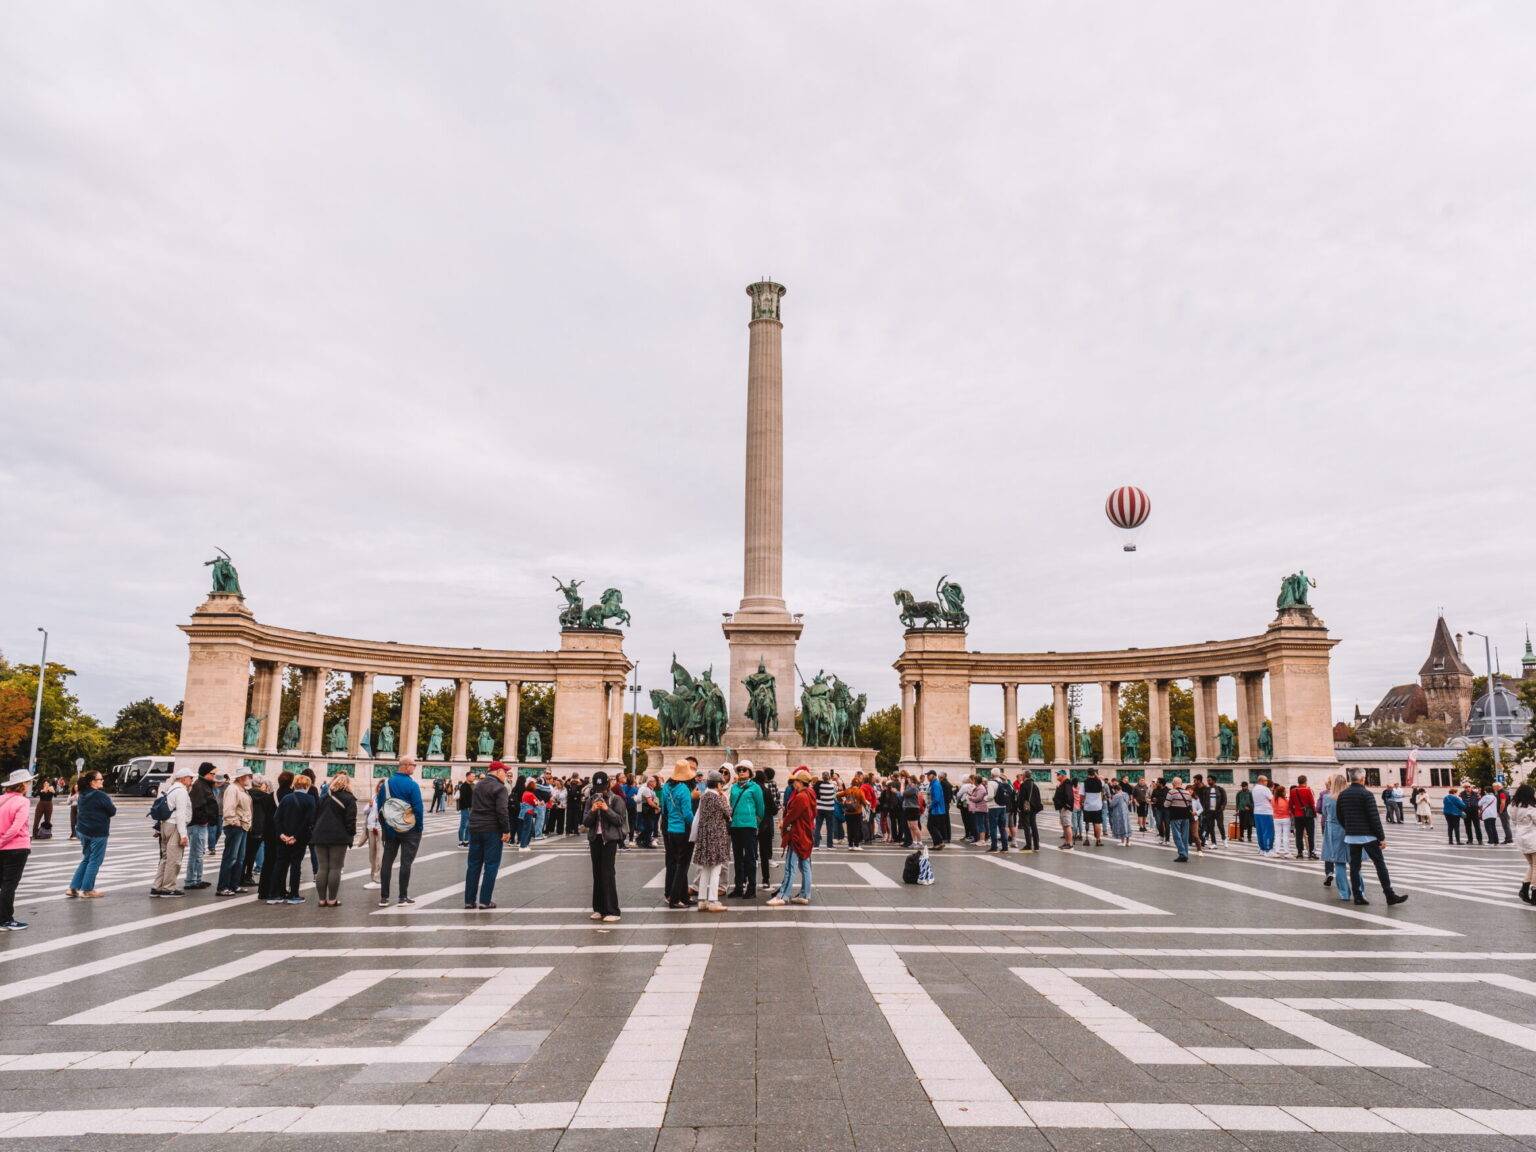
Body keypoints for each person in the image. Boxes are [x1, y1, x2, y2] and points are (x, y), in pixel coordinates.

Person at [1336, 767, 1408, 906]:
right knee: (1379, 864)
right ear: (1362, 778)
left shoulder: (1343, 794)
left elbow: (1339, 816)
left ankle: (1358, 896)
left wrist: (1349, 828)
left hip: (1352, 836)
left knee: (1355, 866)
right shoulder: (1366, 794)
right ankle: (1389, 895)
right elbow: (1374, 818)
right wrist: (1381, 837)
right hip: (1368, 835)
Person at [376, 757, 424, 906]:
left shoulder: (386, 784)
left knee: (387, 861)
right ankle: (402, 897)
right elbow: (418, 808)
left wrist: (386, 827)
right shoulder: (412, 785)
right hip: (410, 829)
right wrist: (419, 827)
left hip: (391, 828)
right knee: (406, 863)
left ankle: (384, 897)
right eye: (414, 765)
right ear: (406, 766)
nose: (414, 767)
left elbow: (380, 808)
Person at [464, 761, 510, 909]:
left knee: (473, 864)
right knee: (491, 865)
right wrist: (506, 830)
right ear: (498, 771)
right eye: (504, 771)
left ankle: (469, 900)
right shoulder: (500, 788)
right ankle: (485, 900)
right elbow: (502, 811)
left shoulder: (478, 785)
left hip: (475, 828)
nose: (506, 774)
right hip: (492, 829)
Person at [767, 769, 815, 906]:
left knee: (790, 866)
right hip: (805, 833)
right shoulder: (810, 794)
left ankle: (783, 895)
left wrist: (783, 823)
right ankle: (805, 894)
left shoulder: (801, 797)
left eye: (795, 781)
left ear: (800, 782)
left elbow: (792, 815)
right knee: (805, 865)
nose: (794, 783)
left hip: (797, 834)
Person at [583, 771, 627, 922]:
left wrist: (607, 809)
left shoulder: (616, 799)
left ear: (608, 785)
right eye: (597, 788)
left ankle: (612, 910)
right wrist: (593, 811)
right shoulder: (590, 800)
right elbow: (586, 822)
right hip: (595, 839)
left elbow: (620, 820)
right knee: (597, 873)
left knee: (607, 873)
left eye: (602, 788)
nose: (600, 791)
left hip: (610, 840)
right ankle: (599, 908)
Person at [67, 770, 116, 899]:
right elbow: (112, 811)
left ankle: (73, 887)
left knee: (87, 858)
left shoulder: (82, 794)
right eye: (100, 779)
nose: (102, 781)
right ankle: (87, 890)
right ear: (93, 782)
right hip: (98, 832)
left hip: (83, 831)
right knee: (95, 860)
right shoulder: (100, 795)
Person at [310, 772, 357, 907]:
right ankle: (332, 899)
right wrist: (351, 834)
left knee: (322, 868)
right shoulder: (350, 798)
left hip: (320, 835)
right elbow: (351, 820)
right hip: (338, 837)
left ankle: (321, 899)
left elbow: (314, 816)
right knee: (335, 868)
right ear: (348, 784)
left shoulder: (323, 797)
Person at [150, 764, 195, 897]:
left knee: (165, 857)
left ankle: (157, 886)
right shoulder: (181, 791)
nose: (191, 781)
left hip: (165, 825)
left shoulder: (171, 789)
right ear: (183, 778)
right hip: (175, 826)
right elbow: (180, 814)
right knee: (174, 859)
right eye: (190, 778)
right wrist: (183, 835)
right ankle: (168, 888)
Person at [271, 774, 316, 906]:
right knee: (296, 865)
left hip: (283, 838)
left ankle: (274, 894)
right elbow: (308, 821)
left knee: (280, 864)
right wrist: (295, 836)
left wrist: (282, 835)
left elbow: (277, 818)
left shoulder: (286, 798)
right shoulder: (310, 799)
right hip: (299, 838)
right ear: (307, 785)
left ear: (295, 785)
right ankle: (293, 894)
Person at [693, 770, 733, 913]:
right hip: (716, 835)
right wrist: (724, 798)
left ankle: (702, 900)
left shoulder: (704, 796)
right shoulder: (718, 797)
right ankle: (713, 900)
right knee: (716, 869)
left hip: (704, 836)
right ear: (718, 784)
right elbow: (728, 812)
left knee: (705, 869)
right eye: (721, 783)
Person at [659, 760, 697, 909]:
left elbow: (664, 809)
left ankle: (684, 896)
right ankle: (675, 899)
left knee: (675, 863)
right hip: (683, 830)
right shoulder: (684, 790)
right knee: (683, 866)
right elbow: (687, 814)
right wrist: (696, 826)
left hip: (671, 829)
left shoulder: (666, 787)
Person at [0, 769, 34, 930]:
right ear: (22, 785)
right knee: (9, 885)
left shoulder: (1, 799)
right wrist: (2, 841)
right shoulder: (22, 801)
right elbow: (16, 826)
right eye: (28, 782)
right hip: (17, 848)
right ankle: (5, 919)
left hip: (2, 849)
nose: (29, 785)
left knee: (2, 883)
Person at [1320, 773, 1362, 902]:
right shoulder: (1350, 797)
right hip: (1350, 829)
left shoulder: (1327, 798)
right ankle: (1360, 891)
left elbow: (1324, 813)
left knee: (1338, 863)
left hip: (1334, 831)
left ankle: (1344, 893)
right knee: (1354, 862)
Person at [727, 762, 765, 898]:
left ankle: (751, 887)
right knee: (737, 858)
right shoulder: (734, 787)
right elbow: (731, 804)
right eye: (739, 770)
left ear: (750, 772)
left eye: (744, 770)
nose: (741, 772)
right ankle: (738, 887)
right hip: (735, 825)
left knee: (750, 857)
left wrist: (755, 822)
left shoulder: (755, 788)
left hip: (749, 826)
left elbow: (760, 808)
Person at [214, 767, 253, 896]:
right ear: (242, 777)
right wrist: (234, 821)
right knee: (230, 857)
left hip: (243, 825)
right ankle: (223, 886)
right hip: (235, 826)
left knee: (239, 858)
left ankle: (234, 884)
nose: (250, 779)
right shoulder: (233, 789)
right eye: (248, 776)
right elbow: (229, 808)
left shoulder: (242, 789)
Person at [183, 763, 220, 890]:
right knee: (196, 854)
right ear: (205, 773)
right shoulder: (199, 785)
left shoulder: (204, 785)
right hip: (197, 824)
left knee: (199, 853)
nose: (214, 776)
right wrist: (204, 820)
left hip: (201, 824)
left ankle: (197, 879)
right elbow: (197, 807)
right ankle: (191, 881)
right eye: (212, 774)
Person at [252, 777, 282, 898]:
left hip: (266, 829)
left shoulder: (266, 798)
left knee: (268, 861)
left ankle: (263, 891)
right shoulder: (276, 797)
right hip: (277, 831)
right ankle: (275, 890)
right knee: (277, 861)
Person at [1511, 784, 1536, 904]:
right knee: (1535, 866)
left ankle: (1524, 890)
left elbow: (1513, 820)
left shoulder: (1513, 806)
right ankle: (1534, 892)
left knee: (1532, 865)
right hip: (1532, 837)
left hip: (1521, 837)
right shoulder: (1531, 807)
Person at [756, 768, 780, 885]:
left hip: (751, 824)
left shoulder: (749, 790)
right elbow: (774, 810)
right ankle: (766, 880)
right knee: (764, 853)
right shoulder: (766, 790)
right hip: (765, 824)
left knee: (749, 853)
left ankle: (745, 881)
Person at [1164, 775, 1193, 862]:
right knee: (1185, 836)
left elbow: (1166, 805)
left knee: (1176, 835)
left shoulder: (1171, 792)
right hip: (1186, 816)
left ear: (1173, 784)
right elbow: (1190, 805)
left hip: (1175, 816)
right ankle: (1185, 854)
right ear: (1181, 784)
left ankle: (1182, 854)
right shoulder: (1187, 793)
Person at [360, 782, 383, 890]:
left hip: (381, 829)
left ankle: (378, 880)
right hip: (371, 828)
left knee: (379, 855)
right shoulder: (374, 797)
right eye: (379, 786)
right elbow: (365, 811)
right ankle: (373, 878)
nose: (380, 788)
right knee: (372, 855)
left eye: (382, 787)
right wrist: (369, 805)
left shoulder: (388, 798)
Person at [1291, 775, 1318, 859]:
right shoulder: (1308, 790)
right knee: (1310, 834)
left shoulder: (1293, 791)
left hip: (1298, 815)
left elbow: (1291, 804)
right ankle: (1311, 852)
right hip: (1308, 815)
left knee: (1299, 834)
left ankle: (1300, 852)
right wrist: (1314, 813)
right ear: (1305, 781)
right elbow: (1312, 803)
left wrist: (1294, 813)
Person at [839, 772, 867, 852]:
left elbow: (838, 795)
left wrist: (843, 802)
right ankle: (856, 845)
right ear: (858, 784)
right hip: (857, 812)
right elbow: (864, 802)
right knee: (856, 828)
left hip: (848, 812)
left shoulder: (848, 790)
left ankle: (850, 845)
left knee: (849, 828)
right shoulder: (859, 791)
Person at [1015, 772, 1042, 852]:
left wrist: (1019, 808)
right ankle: (1036, 846)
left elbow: (1021, 798)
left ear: (1025, 776)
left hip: (1025, 809)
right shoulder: (1035, 785)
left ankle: (1028, 845)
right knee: (1034, 826)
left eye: (1022, 775)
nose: (1022, 777)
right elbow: (1038, 798)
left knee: (1026, 827)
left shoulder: (1023, 785)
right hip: (1033, 809)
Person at [926, 770, 951, 849]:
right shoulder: (933, 783)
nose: (927, 777)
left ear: (933, 775)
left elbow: (936, 798)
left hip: (936, 809)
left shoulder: (936, 784)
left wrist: (930, 806)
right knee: (933, 826)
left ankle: (939, 842)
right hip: (935, 809)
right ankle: (937, 844)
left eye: (928, 775)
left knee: (931, 826)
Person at [1250, 776, 1275, 855]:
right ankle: (1268, 849)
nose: (1267, 782)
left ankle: (1262, 848)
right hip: (1266, 812)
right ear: (1261, 781)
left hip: (1257, 812)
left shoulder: (1254, 789)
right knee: (1268, 831)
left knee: (1260, 831)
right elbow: (1272, 799)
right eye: (1266, 780)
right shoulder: (1265, 789)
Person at [1051, 770, 1075, 849]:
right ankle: (1066, 842)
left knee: (1067, 825)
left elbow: (1069, 796)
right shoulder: (1062, 784)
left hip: (1065, 808)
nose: (1057, 776)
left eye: (1058, 774)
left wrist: (1066, 806)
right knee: (1064, 825)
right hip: (1062, 807)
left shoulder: (1067, 783)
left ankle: (1070, 843)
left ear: (1063, 776)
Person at [1081, 768, 1105, 847]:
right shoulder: (1100, 782)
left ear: (1087, 773)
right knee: (1097, 823)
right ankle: (1098, 840)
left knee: (1087, 822)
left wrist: (1082, 802)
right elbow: (1102, 782)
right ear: (1094, 773)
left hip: (1088, 806)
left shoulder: (1084, 783)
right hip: (1097, 806)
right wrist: (1096, 775)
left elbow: (1082, 795)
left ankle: (1087, 838)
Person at [1106, 779, 1132, 846]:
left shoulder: (1116, 796)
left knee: (1121, 826)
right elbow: (1128, 802)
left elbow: (1112, 804)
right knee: (1126, 825)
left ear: (1116, 790)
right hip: (1125, 812)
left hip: (1118, 813)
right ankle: (1128, 842)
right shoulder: (1126, 794)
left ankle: (1123, 841)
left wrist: (1109, 799)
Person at [1272, 784, 1292, 859]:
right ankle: (1287, 852)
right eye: (1284, 791)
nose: (1285, 792)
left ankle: (1276, 851)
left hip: (1276, 819)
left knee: (1277, 835)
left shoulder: (1273, 799)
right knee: (1286, 836)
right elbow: (1289, 809)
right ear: (1282, 792)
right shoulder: (1286, 800)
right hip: (1286, 818)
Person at [455, 772, 475, 847]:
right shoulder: (464, 786)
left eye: (474, 776)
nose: (474, 778)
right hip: (465, 808)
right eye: (472, 776)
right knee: (463, 825)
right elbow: (463, 799)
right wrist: (468, 807)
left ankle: (466, 841)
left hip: (471, 808)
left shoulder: (472, 785)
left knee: (469, 825)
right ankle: (461, 841)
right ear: (467, 777)